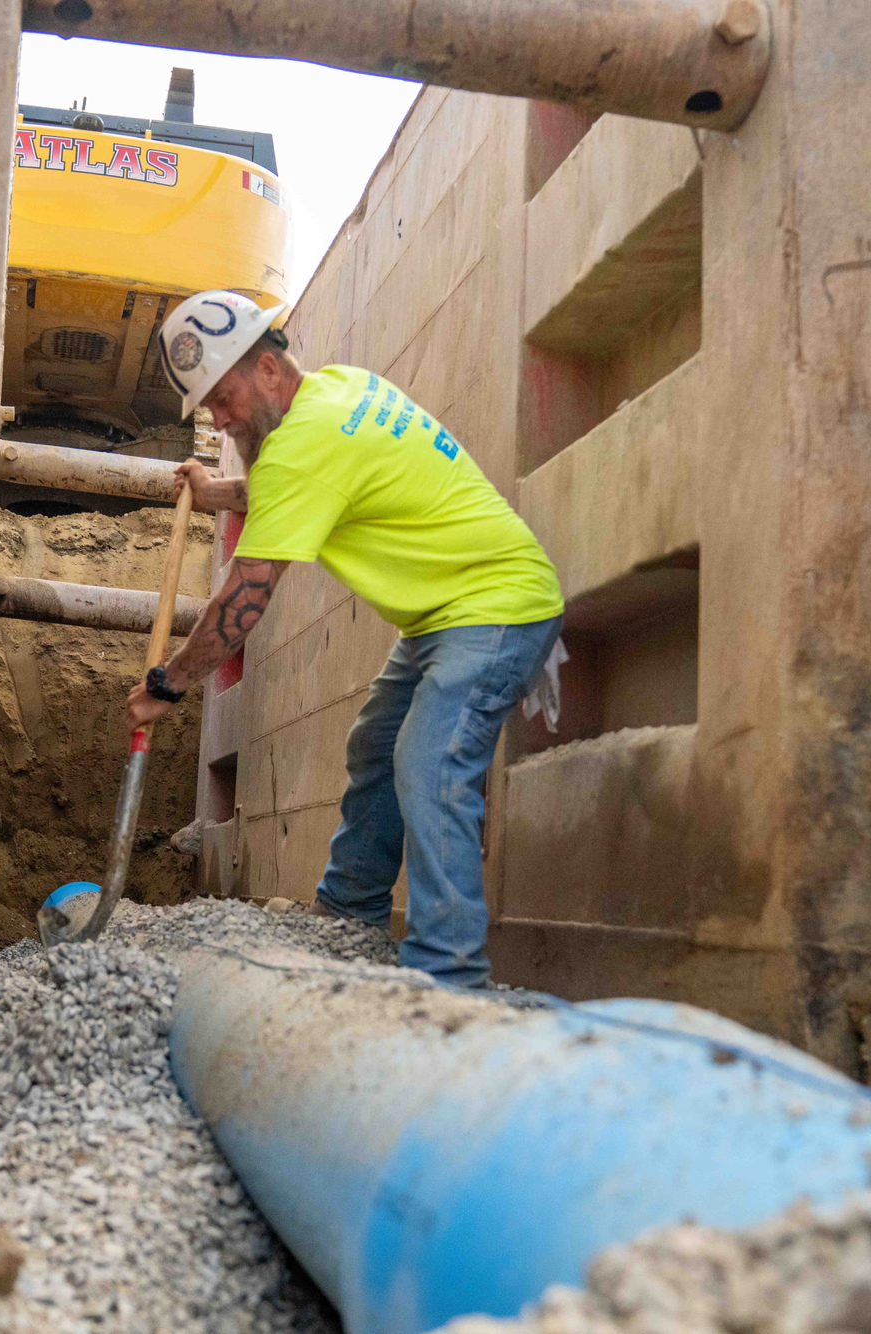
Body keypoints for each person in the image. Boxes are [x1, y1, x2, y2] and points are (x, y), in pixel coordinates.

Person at [126, 290, 565, 988]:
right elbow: (291, 486)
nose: (219, 417)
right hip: (444, 613)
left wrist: (165, 685)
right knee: (376, 745)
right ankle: (347, 919)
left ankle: (448, 977)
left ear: (267, 370)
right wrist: (215, 494)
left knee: (430, 763)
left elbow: (244, 601)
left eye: (223, 397)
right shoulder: (339, 389)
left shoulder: (304, 444)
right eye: (208, 406)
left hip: (496, 606)